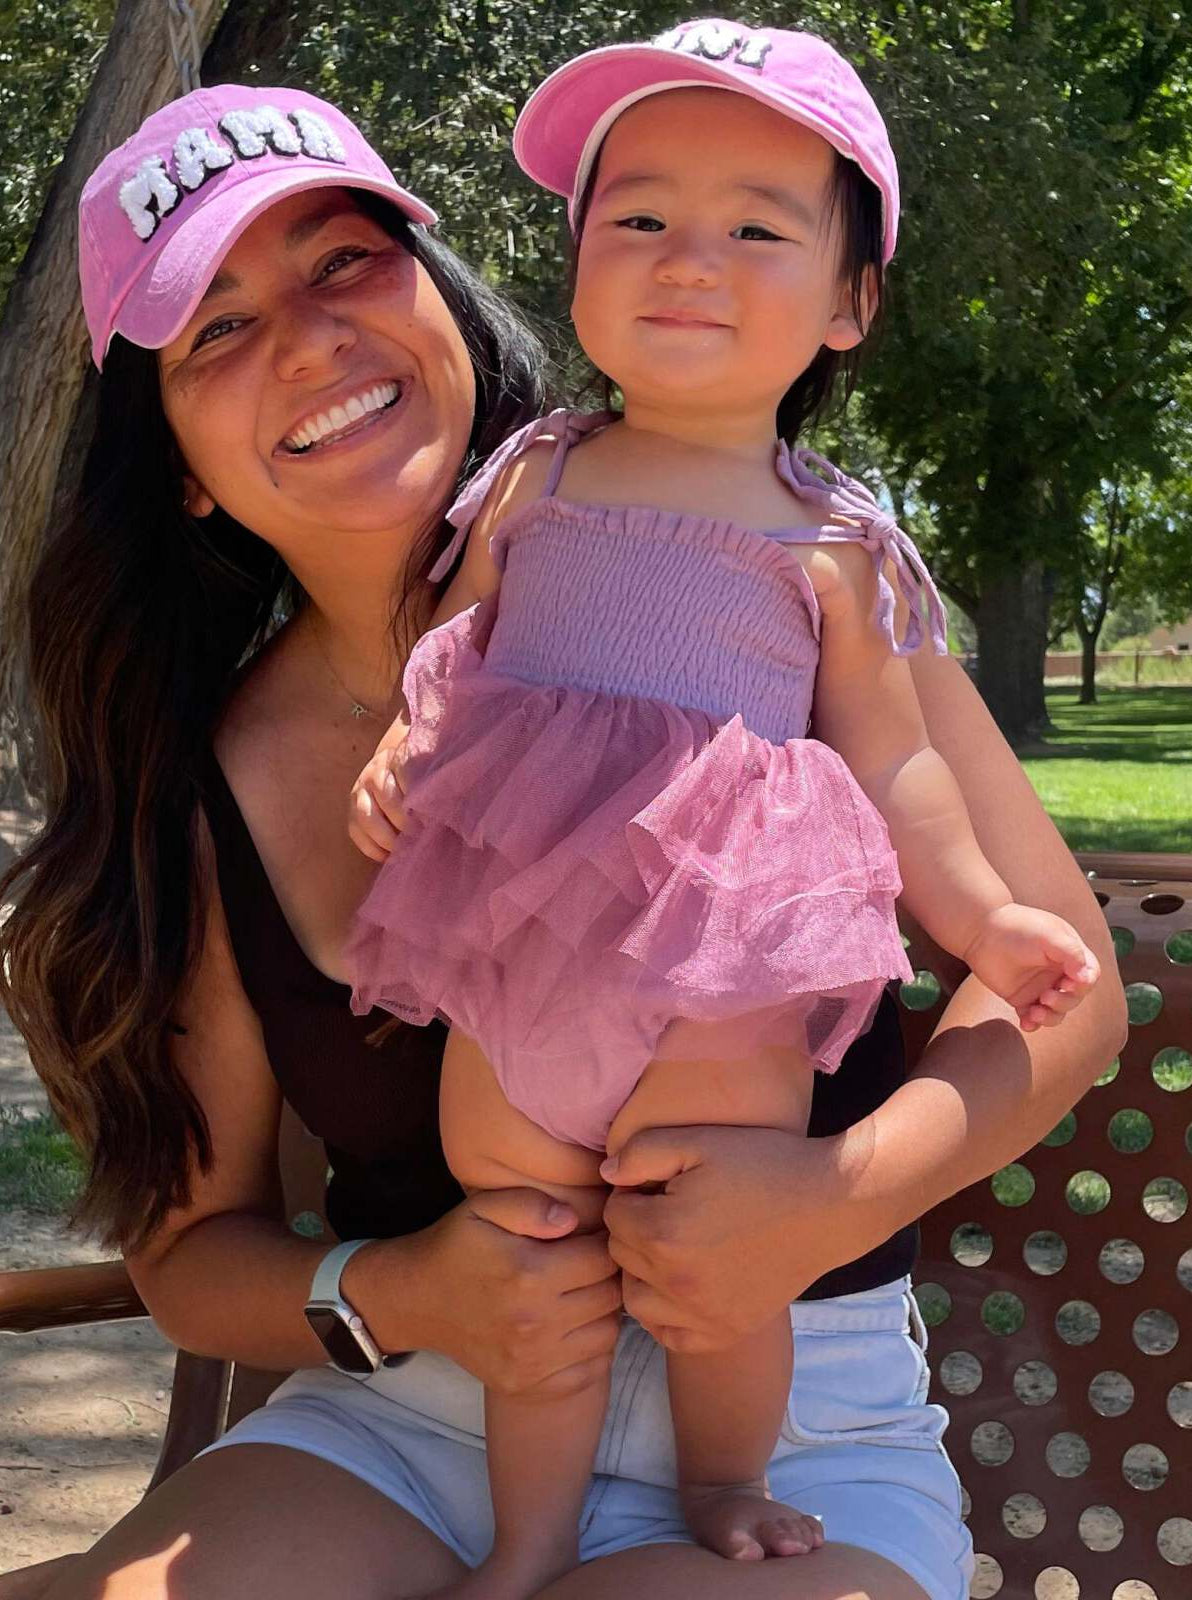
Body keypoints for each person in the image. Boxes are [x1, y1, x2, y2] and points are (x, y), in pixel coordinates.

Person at [0, 76, 1123, 1600]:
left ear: (447, 296)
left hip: (798, 1449)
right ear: (181, 463)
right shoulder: (202, 791)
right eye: (219, 328)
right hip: (411, 1429)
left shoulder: (781, 553)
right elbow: (192, 1257)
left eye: (345, 261)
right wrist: (403, 1291)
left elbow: (1067, 1003)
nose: (314, 340)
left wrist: (829, 1197)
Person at [345, 23, 1099, 1598]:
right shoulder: (535, 479)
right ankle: (531, 1539)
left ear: (847, 305)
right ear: (577, 272)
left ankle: (722, 1480)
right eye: (638, 218)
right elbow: (455, 655)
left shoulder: (833, 545)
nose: (690, 256)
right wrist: (405, 747)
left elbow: (901, 770)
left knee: (717, 1269)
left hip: (719, 967)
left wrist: (984, 918)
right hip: (517, 940)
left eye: (758, 227)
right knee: (530, 1240)